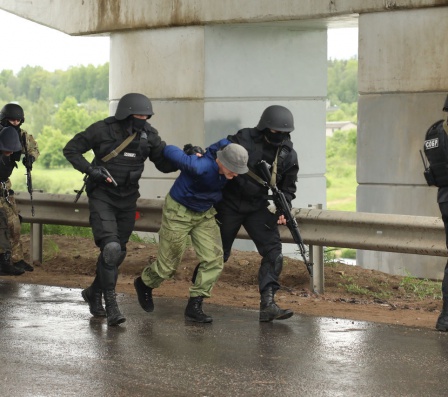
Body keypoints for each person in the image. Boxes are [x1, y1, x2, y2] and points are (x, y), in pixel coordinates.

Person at [63, 93, 177, 326]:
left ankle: (93, 292)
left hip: (128, 199)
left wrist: (183, 156)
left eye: (147, 116)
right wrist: (90, 170)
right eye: (139, 116)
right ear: (126, 114)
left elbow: (164, 165)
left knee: (118, 252)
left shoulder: (148, 135)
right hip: (102, 196)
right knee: (111, 248)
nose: (143, 120)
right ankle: (111, 304)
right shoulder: (101, 130)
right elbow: (71, 149)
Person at [134, 140, 249, 323]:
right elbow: (168, 149)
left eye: (238, 170)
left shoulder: (223, 157)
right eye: (232, 169)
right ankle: (144, 283)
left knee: (214, 259)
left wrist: (229, 145)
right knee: (168, 266)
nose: (235, 174)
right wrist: (188, 152)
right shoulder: (199, 166)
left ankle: (195, 305)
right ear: (221, 161)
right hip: (179, 212)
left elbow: (224, 141)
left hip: (204, 213)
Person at [214, 105, 299, 322]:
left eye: (284, 132)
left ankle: (268, 304)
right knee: (216, 256)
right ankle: (195, 300)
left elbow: (288, 188)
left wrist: (283, 208)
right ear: (264, 128)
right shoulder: (244, 138)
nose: (279, 136)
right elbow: (220, 156)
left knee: (274, 253)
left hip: (257, 206)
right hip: (229, 203)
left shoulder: (287, 154)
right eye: (275, 131)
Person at [0, 103, 40, 273]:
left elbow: (34, 148)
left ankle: (16, 259)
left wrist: (30, 158)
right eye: (11, 119)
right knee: (6, 222)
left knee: (14, 222)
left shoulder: (22, 136)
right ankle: (5, 261)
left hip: (4, 182)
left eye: (18, 120)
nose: (15, 122)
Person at [0, 126, 26, 275]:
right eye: (6, 150)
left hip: (4, 195)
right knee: (2, 224)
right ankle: (4, 263)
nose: (9, 153)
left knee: (12, 224)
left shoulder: (7, 156)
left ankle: (8, 261)